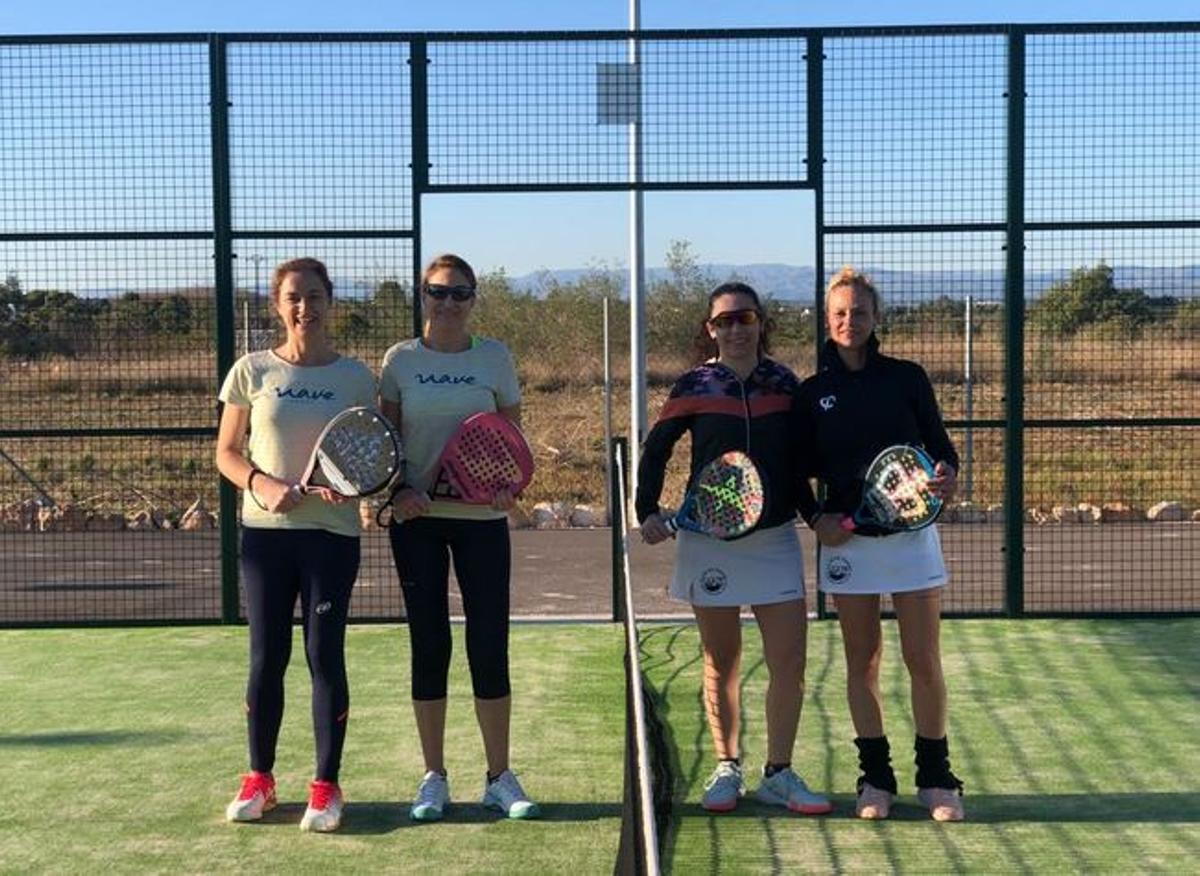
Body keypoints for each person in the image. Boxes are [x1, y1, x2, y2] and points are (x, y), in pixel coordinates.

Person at [636, 282, 832, 816]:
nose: (735, 329)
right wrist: (646, 510)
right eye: (724, 321)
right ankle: (727, 767)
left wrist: (815, 513)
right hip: (709, 543)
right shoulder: (694, 384)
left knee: (788, 660)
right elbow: (657, 449)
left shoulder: (785, 385)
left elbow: (799, 464)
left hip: (773, 540)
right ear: (710, 329)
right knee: (721, 660)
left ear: (761, 324)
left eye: (745, 319)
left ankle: (779, 773)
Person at [797, 266, 964, 822]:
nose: (850, 321)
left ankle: (937, 779)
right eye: (840, 313)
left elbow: (941, 449)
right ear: (828, 319)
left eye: (860, 312)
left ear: (876, 318)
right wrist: (815, 517)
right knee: (862, 663)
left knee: (923, 659)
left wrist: (946, 474)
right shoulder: (812, 393)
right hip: (849, 545)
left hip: (911, 537)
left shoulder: (907, 377)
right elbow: (797, 472)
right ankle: (876, 779)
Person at [216, 257, 377, 832]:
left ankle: (326, 788)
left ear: (331, 302)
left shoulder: (358, 378)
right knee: (266, 659)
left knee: (323, 656)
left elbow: (365, 453)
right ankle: (260, 779)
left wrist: (349, 487)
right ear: (277, 305)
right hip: (265, 537)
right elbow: (227, 454)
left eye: (314, 296)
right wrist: (262, 483)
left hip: (331, 540)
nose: (304, 307)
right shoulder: (251, 371)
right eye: (293, 297)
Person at [379, 253, 538, 822]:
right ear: (423, 295)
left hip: (482, 527)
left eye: (460, 293)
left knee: (489, 646)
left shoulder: (495, 358)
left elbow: (509, 444)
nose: (448, 303)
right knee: (431, 645)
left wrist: (505, 492)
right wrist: (399, 493)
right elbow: (387, 445)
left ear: (474, 300)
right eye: (437, 292)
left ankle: (499, 776)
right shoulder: (399, 361)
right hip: (417, 523)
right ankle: (434, 778)